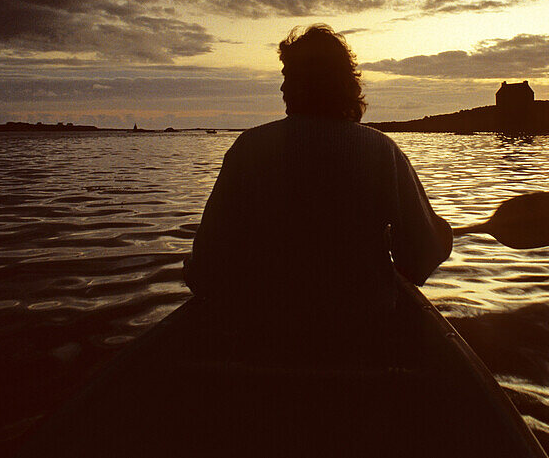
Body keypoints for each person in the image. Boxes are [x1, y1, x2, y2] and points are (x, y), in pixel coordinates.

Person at [183, 24, 452, 345]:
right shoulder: (382, 151)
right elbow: (420, 258)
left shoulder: (248, 148)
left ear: (305, 83)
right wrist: (441, 235)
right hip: (360, 336)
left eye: (288, 76)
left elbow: (206, 268)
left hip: (263, 336)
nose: (282, 88)